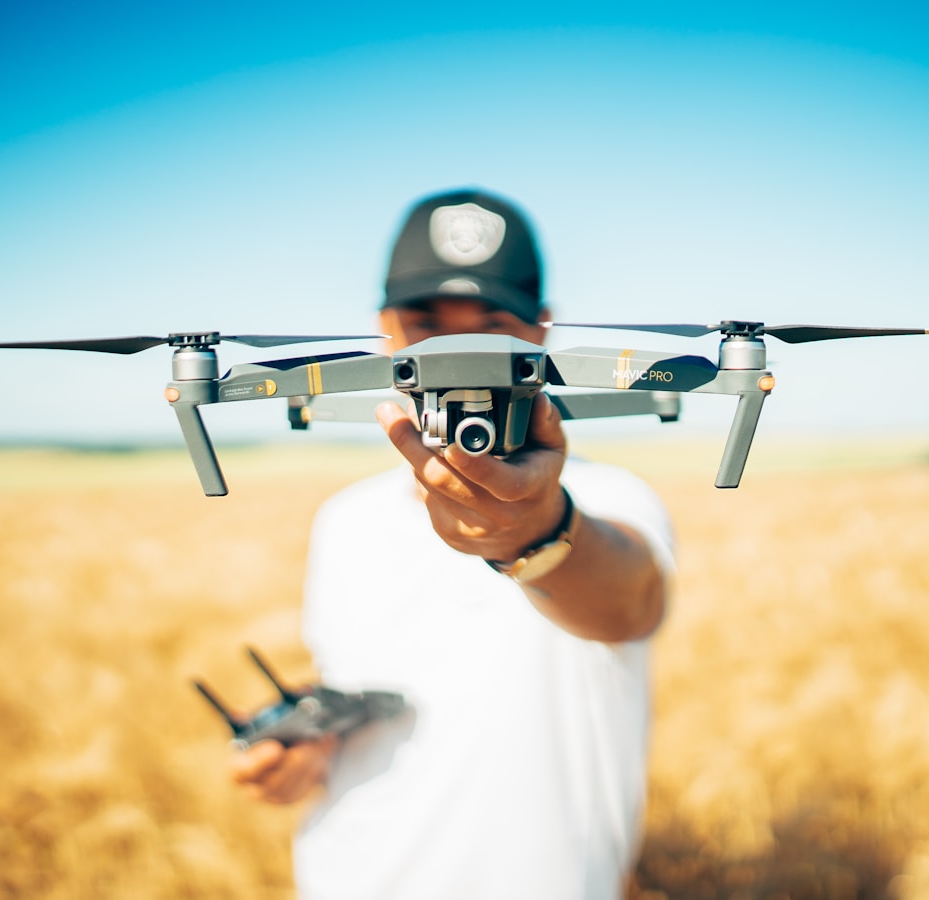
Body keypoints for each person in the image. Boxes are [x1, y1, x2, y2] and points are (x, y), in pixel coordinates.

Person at [231, 188, 675, 900]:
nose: (456, 354)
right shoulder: (343, 520)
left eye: (489, 327)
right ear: (386, 329)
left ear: (539, 332)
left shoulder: (615, 501)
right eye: (427, 325)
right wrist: (304, 747)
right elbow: (367, 677)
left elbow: (625, 604)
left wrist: (539, 531)